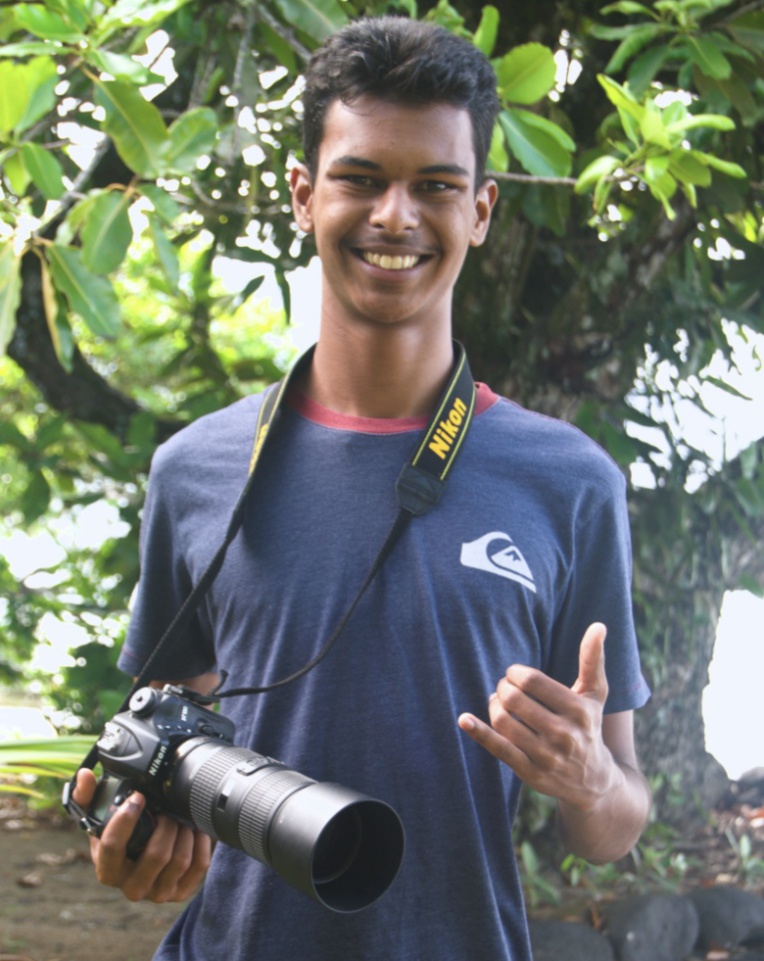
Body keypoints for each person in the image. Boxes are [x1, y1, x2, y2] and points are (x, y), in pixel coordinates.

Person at [73, 15, 652, 961]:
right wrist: (129, 836)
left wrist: (589, 778)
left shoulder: (569, 482)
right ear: (304, 196)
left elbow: (616, 822)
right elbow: (156, 764)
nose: (395, 216)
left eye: (436, 185)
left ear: (482, 210)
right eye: (360, 178)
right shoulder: (197, 469)